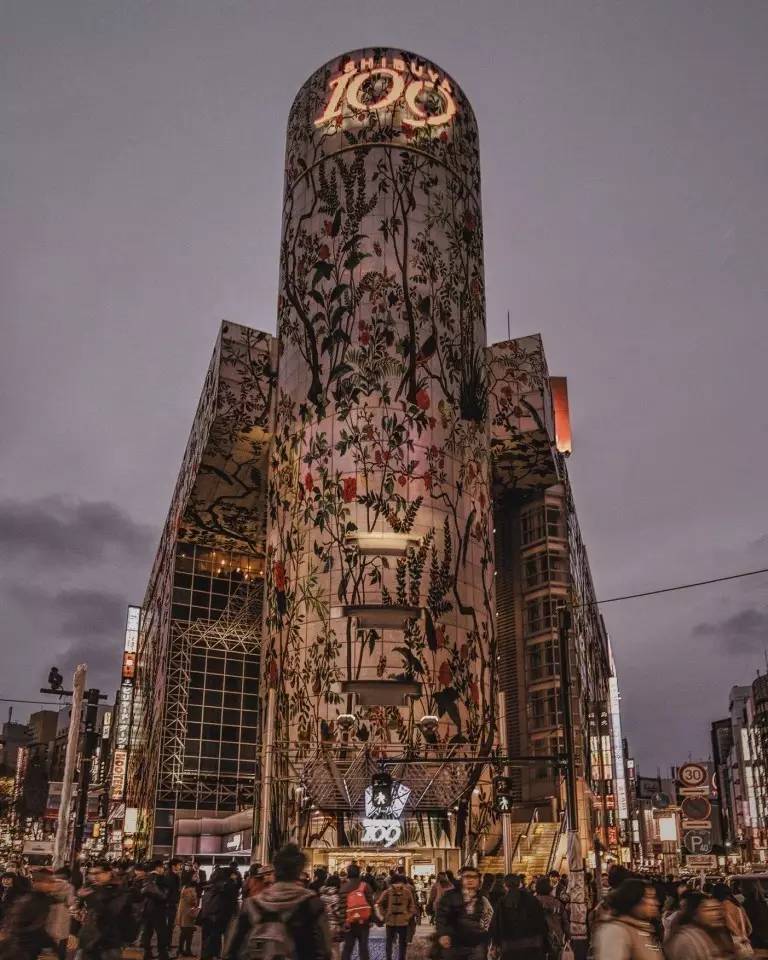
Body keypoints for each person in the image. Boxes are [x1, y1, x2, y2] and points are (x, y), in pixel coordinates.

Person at [225, 842, 331, 960]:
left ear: (275, 872)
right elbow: (324, 951)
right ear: (299, 871)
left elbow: (232, 951)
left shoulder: (251, 904)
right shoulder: (311, 903)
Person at [592, 878, 664, 960]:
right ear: (634, 899)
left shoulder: (642, 928)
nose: (655, 903)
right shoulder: (616, 930)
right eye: (649, 897)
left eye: (654, 898)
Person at [77, 861, 134, 960]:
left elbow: (111, 913)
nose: (94, 877)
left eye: (97, 873)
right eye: (91, 873)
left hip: (109, 942)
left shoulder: (119, 891)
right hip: (88, 941)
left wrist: (91, 899)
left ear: (109, 873)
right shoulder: (90, 888)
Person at [436, 864, 493, 960]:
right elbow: (441, 917)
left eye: (474, 877)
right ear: (461, 879)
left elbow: (488, 918)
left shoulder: (482, 897)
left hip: (477, 943)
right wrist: (443, 934)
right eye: (467, 877)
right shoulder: (450, 896)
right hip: (455, 942)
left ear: (479, 880)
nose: (470, 880)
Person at [0, 869, 57, 960]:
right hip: (22, 946)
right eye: (49, 882)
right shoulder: (32, 900)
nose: (53, 885)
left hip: (24, 944)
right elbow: (27, 925)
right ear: (37, 883)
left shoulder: (39, 898)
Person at [488, 873, 548, 959]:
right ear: (520, 884)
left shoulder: (502, 902)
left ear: (505, 886)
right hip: (533, 945)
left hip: (510, 946)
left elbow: (496, 925)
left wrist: (495, 943)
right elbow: (541, 922)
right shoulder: (532, 899)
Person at [666, 892, 739, 959]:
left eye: (719, 909)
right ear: (696, 914)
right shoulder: (685, 939)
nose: (717, 913)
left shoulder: (722, 935)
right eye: (710, 910)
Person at [198, 866, 239, 960]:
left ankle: (207, 956)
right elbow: (232, 900)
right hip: (217, 917)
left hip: (207, 916)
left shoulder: (210, 885)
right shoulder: (227, 885)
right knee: (215, 939)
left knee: (207, 940)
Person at [376, 873, 417, 960]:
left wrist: (384, 914)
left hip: (391, 921)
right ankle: (401, 958)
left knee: (389, 942)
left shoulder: (387, 892)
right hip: (403, 921)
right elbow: (412, 905)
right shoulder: (407, 892)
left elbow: (379, 904)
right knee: (402, 943)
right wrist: (408, 915)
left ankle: (389, 958)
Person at [339, 863, 375, 960]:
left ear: (348, 873)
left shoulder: (343, 887)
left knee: (347, 948)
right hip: (364, 921)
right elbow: (370, 903)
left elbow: (342, 907)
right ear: (359, 873)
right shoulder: (365, 886)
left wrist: (342, 922)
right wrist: (372, 919)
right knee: (363, 948)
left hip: (349, 922)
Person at [712, 883, 753, 957]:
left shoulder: (723, 906)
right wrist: (743, 936)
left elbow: (730, 925)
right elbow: (750, 928)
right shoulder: (739, 906)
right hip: (745, 945)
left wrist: (738, 935)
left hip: (732, 947)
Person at [140, 859, 170, 960]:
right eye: (162, 867)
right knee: (161, 932)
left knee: (147, 932)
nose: (163, 869)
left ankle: (147, 953)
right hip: (158, 908)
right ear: (158, 868)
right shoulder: (161, 878)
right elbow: (164, 895)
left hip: (147, 908)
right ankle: (162, 954)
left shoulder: (146, 878)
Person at [534, 876, 569, 957]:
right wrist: (568, 935)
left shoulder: (533, 901)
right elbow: (565, 921)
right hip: (555, 936)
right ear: (550, 889)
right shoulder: (557, 902)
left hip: (537, 937)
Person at [320, 874, 342, 956]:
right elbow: (337, 912)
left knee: (325, 948)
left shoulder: (322, 896)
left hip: (323, 925)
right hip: (334, 925)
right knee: (335, 948)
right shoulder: (336, 897)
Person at [176, 877, 199, 958]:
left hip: (183, 914)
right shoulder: (190, 890)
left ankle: (181, 949)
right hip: (188, 914)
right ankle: (187, 950)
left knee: (183, 933)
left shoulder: (184, 889)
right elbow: (192, 901)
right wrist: (195, 900)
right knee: (188, 933)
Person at [165, 859, 183, 953]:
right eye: (179, 865)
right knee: (169, 925)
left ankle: (167, 943)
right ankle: (166, 944)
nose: (180, 867)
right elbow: (170, 890)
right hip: (170, 903)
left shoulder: (172, 875)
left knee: (170, 925)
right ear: (173, 866)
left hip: (171, 903)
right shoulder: (171, 876)